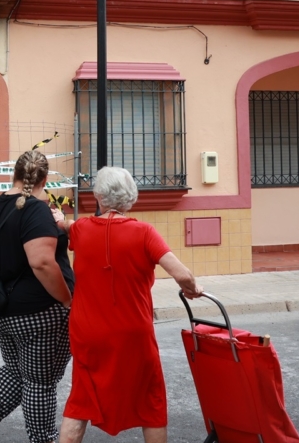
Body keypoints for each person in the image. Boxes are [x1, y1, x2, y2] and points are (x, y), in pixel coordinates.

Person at [57, 166, 203, 443]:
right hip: (133, 333)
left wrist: (59, 220)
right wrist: (192, 288)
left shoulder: (82, 229)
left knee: (82, 398)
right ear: (131, 198)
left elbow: (67, 227)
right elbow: (183, 274)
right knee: (150, 399)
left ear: (98, 196)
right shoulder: (145, 233)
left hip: (88, 333)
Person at [0, 150, 74, 443]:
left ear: (14, 174)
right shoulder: (35, 209)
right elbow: (42, 263)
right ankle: (43, 439)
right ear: (44, 179)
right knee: (40, 381)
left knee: (16, 370)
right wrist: (67, 300)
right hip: (38, 313)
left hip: (1, 311)